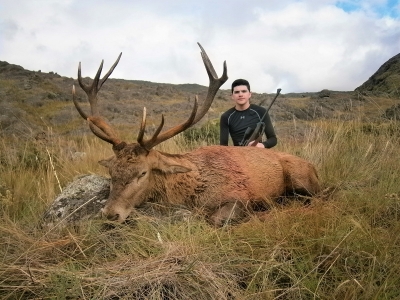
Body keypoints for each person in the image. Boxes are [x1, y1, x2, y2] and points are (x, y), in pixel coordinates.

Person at [220, 79, 277, 148]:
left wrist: (262, 145)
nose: (240, 94)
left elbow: (273, 139)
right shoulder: (226, 117)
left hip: (258, 154)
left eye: (244, 91)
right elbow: (223, 146)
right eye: (237, 92)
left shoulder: (261, 112)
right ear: (232, 96)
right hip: (237, 155)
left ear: (250, 94)